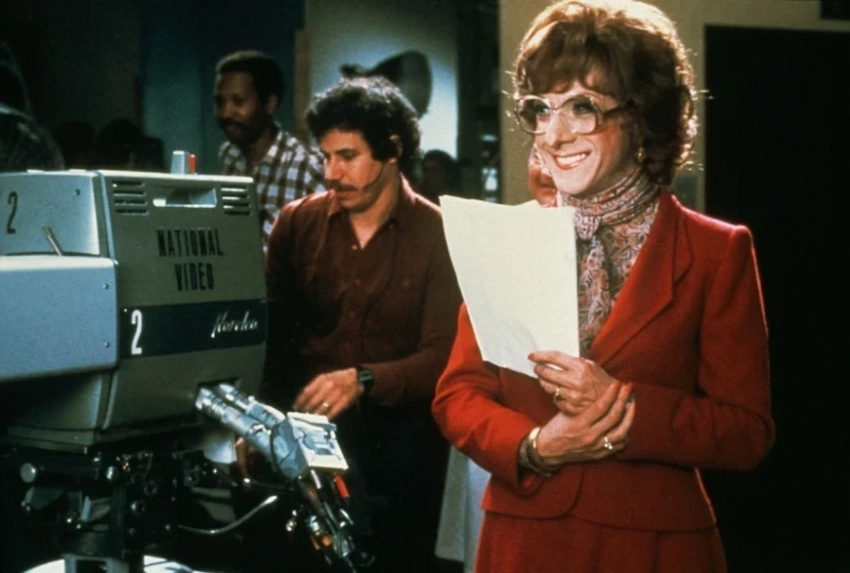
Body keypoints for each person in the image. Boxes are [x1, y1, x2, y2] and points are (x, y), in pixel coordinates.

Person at [431, 1, 775, 572]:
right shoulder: (506, 238)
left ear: (642, 116)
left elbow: (746, 432)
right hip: (524, 542)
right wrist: (535, 447)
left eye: (582, 107)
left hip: (653, 547)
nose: (554, 135)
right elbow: (458, 396)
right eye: (541, 109)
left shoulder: (716, 250)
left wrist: (624, 409)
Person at [251, 76, 462, 573]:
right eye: (325, 157)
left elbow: (443, 356)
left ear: (392, 150)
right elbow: (271, 339)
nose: (332, 173)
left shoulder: (440, 234)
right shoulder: (296, 224)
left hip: (399, 454)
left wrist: (363, 379)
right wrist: (257, 421)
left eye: (347, 156)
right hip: (304, 446)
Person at [214, 50, 325, 250]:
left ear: (269, 104)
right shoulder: (229, 155)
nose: (225, 113)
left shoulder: (307, 167)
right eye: (220, 102)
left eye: (238, 101)